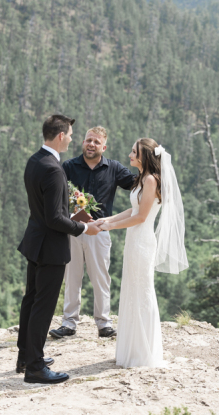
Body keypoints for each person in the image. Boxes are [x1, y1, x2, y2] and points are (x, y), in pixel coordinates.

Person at [16, 114, 103, 384]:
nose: (74, 139)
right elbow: (55, 218)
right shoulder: (54, 168)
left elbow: (45, 209)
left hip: (35, 241)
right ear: (61, 136)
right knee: (43, 306)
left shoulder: (35, 160)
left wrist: (72, 211)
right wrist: (84, 228)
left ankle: (25, 356)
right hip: (51, 246)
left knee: (31, 300)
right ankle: (35, 367)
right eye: (71, 134)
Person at [100, 138, 188, 368]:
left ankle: (143, 352)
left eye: (133, 152)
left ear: (144, 156)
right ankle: (131, 350)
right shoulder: (142, 179)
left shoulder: (150, 180)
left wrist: (110, 227)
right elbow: (134, 209)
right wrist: (108, 219)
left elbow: (141, 217)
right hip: (133, 240)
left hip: (142, 242)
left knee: (142, 291)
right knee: (131, 290)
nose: (129, 155)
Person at [49, 126, 135, 340]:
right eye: (89, 140)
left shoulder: (114, 168)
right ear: (83, 142)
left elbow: (136, 185)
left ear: (103, 147)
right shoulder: (68, 166)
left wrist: (155, 172)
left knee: (101, 278)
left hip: (101, 231)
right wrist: (72, 220)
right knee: (72, 277)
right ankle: (68, 323)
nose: (91, 144)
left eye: (96, 142)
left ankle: (104, 324)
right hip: (73, 230)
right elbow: (58, 195)